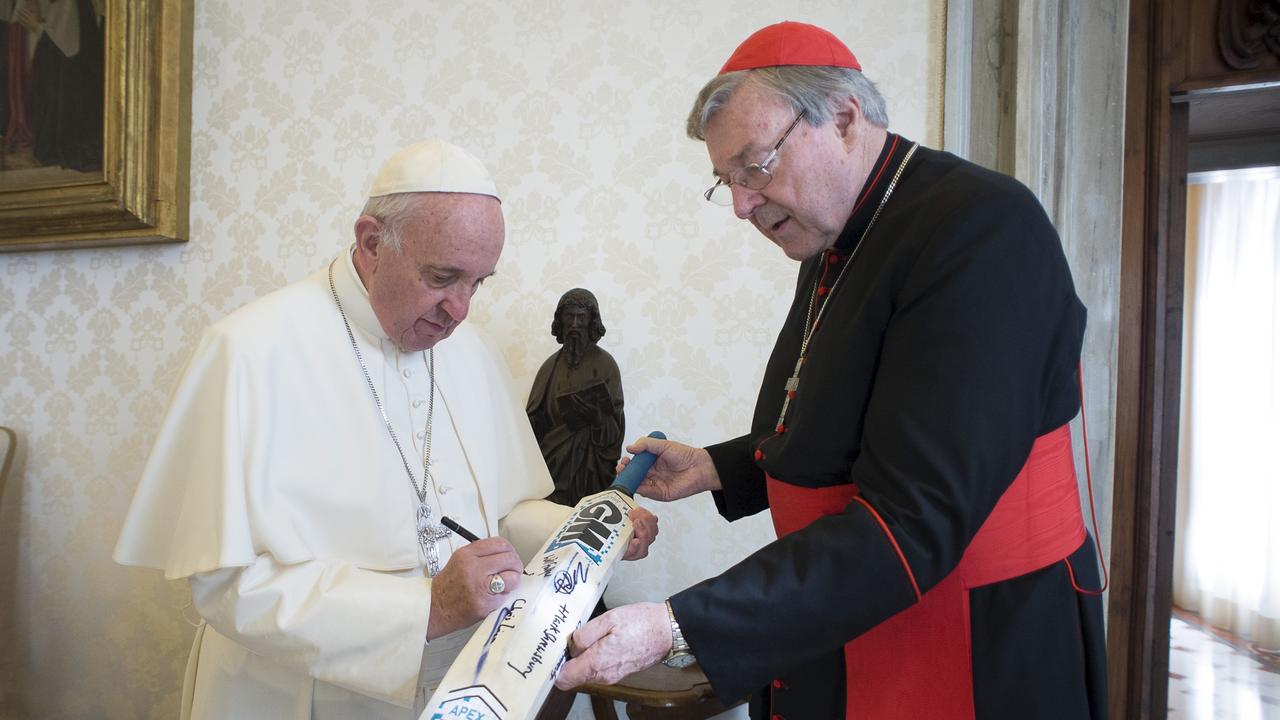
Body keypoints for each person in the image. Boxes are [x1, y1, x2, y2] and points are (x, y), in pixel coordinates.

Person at [556, 21, 1107, 720]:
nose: (742, 205)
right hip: (849, 616)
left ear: (843, 119)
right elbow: (841, 424)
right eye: (726, 181)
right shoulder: (834, 236)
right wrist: (718, 467)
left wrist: (679, 624)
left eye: (754, 166)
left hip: (971, 638)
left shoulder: (982, 230)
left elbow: (917, 514)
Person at [113, 138, 658, 720]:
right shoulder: (250, 350)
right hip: (299, 696)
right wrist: (424, 610)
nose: (460, 309)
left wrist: (594, 529)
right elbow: (224, 584)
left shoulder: (468, 351)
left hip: (456, 688)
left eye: (478, 282)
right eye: (443, 276)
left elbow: (498, 516)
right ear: (371, 243)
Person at [526, 288, 625, 506]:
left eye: (581, 317)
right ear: (560, 320)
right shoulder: (549, 367)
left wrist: (597, 418)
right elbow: (533, 423)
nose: (574, 323)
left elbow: (615, 429)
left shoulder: (606, 366)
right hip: (552, 469)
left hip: (591, 470)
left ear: (592, 321)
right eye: (569, 316)